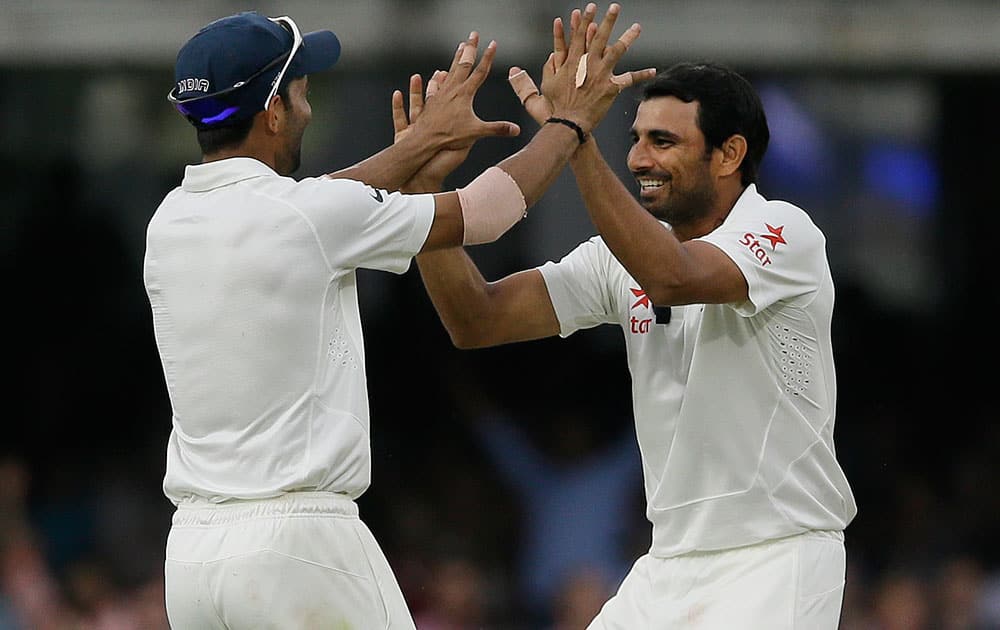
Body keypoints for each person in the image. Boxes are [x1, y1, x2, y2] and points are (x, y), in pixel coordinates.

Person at [143, 7, 651, 628]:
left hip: (193, 558)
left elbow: (318, 209)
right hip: (297, 544)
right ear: (273, 111)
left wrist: (415, 149)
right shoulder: (308, 218)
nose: (308, 108)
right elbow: (486, 212)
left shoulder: (171, 221)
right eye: (302, 92)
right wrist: (571, 120)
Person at [406, 19, 858, 627]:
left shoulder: (786, 232)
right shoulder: (618, 256)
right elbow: (476, 319)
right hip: (667, 564)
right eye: (637, 137)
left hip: (777, 557)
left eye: (663, 141)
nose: (640, 157)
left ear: (729, 154)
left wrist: (574, 137)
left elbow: (674, 276)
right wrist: (424, 196)